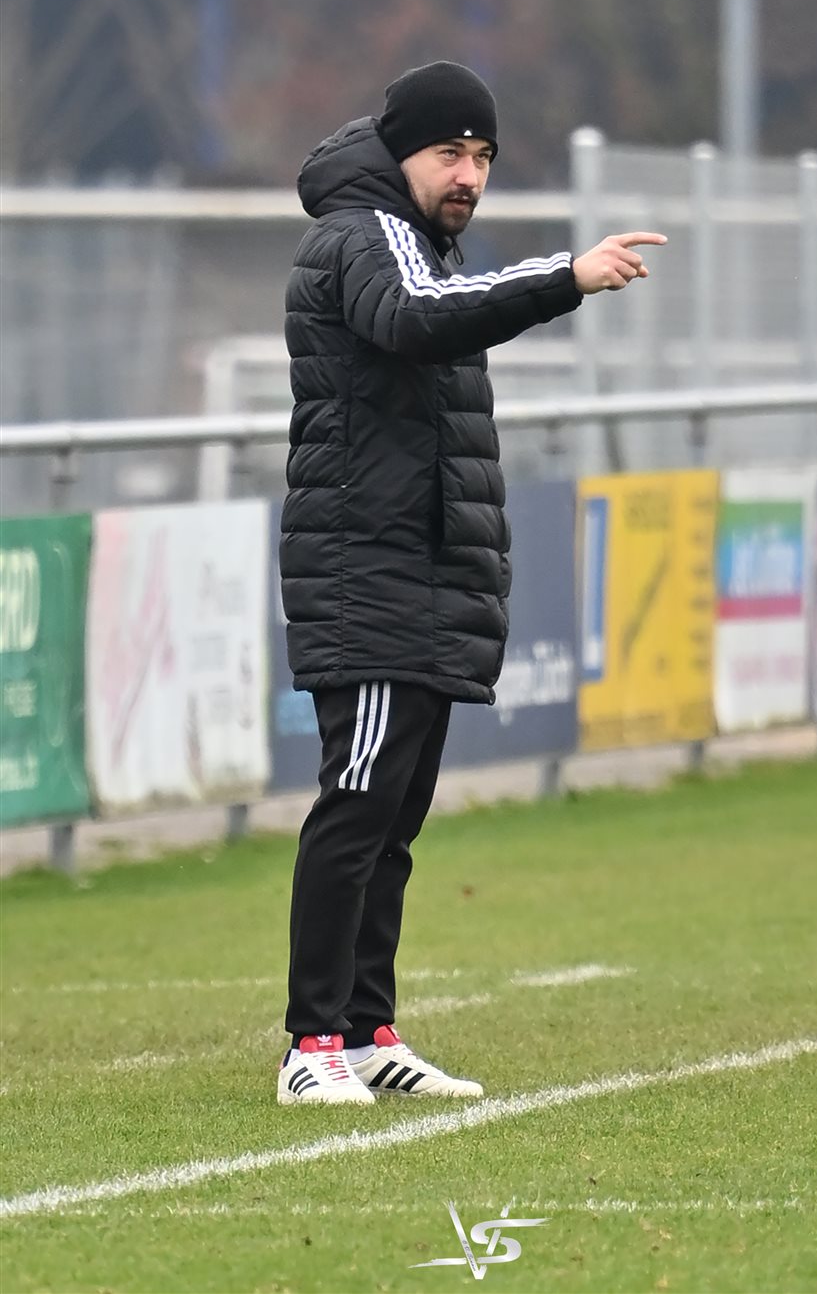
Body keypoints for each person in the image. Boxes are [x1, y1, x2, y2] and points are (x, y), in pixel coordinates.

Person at [278, 61, 666, 1105]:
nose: (470, 175)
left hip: (417, 570)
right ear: (400, 151)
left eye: (484, 156)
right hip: (365, 571)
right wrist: (563, 276)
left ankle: (367, 1030)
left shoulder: (415, 240)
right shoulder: (366, 234)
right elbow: (416, 316)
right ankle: (310, 1043)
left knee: (394, 818)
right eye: (450, 152)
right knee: (357, 804)